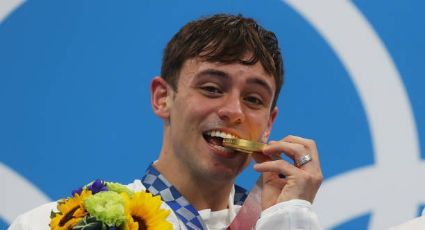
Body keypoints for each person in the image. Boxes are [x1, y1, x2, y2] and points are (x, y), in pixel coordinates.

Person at [9, 14, 323, 229]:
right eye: (212, 89)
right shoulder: (58, 224)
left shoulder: (287, 220)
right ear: (162, 98)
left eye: (253, 99)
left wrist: (288, 218)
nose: (233, 111)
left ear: (269, 123)